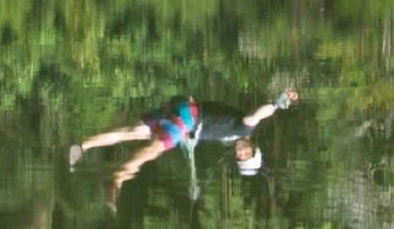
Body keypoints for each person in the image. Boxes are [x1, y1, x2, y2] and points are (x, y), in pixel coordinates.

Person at [67, 88, 299, 206]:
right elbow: (258, 115)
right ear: (253, 146)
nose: (241, 152)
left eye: (241, 157)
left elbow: (208, 122)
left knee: (132, 132)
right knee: (155, 149)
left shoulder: (228, 138)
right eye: (247, 153)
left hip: (179, 109)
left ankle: (81, 146)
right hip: (188, 116)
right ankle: (117, 178)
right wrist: (278, 103)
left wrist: (189, 137)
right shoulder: (245, 128)